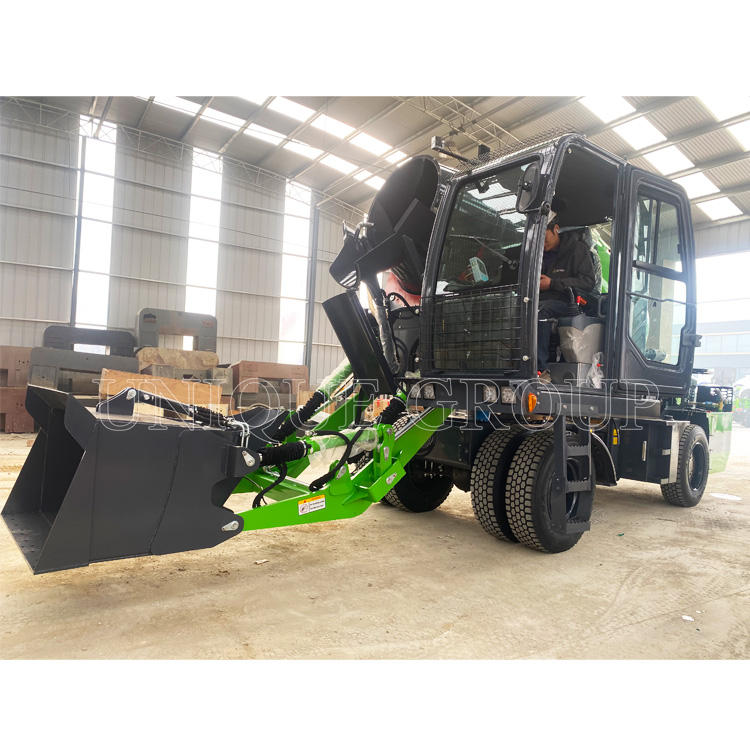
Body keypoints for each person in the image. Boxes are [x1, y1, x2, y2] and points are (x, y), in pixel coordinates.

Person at [537, 206, 598, 378]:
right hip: (542, 300)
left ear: (555, 229)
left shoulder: (577, 249)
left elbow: (588, 282)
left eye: (544, 238)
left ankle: (540, 370)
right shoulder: (538, 255)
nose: (542, 245)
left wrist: (553, 283)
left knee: (541, 311)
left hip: (569, 303)